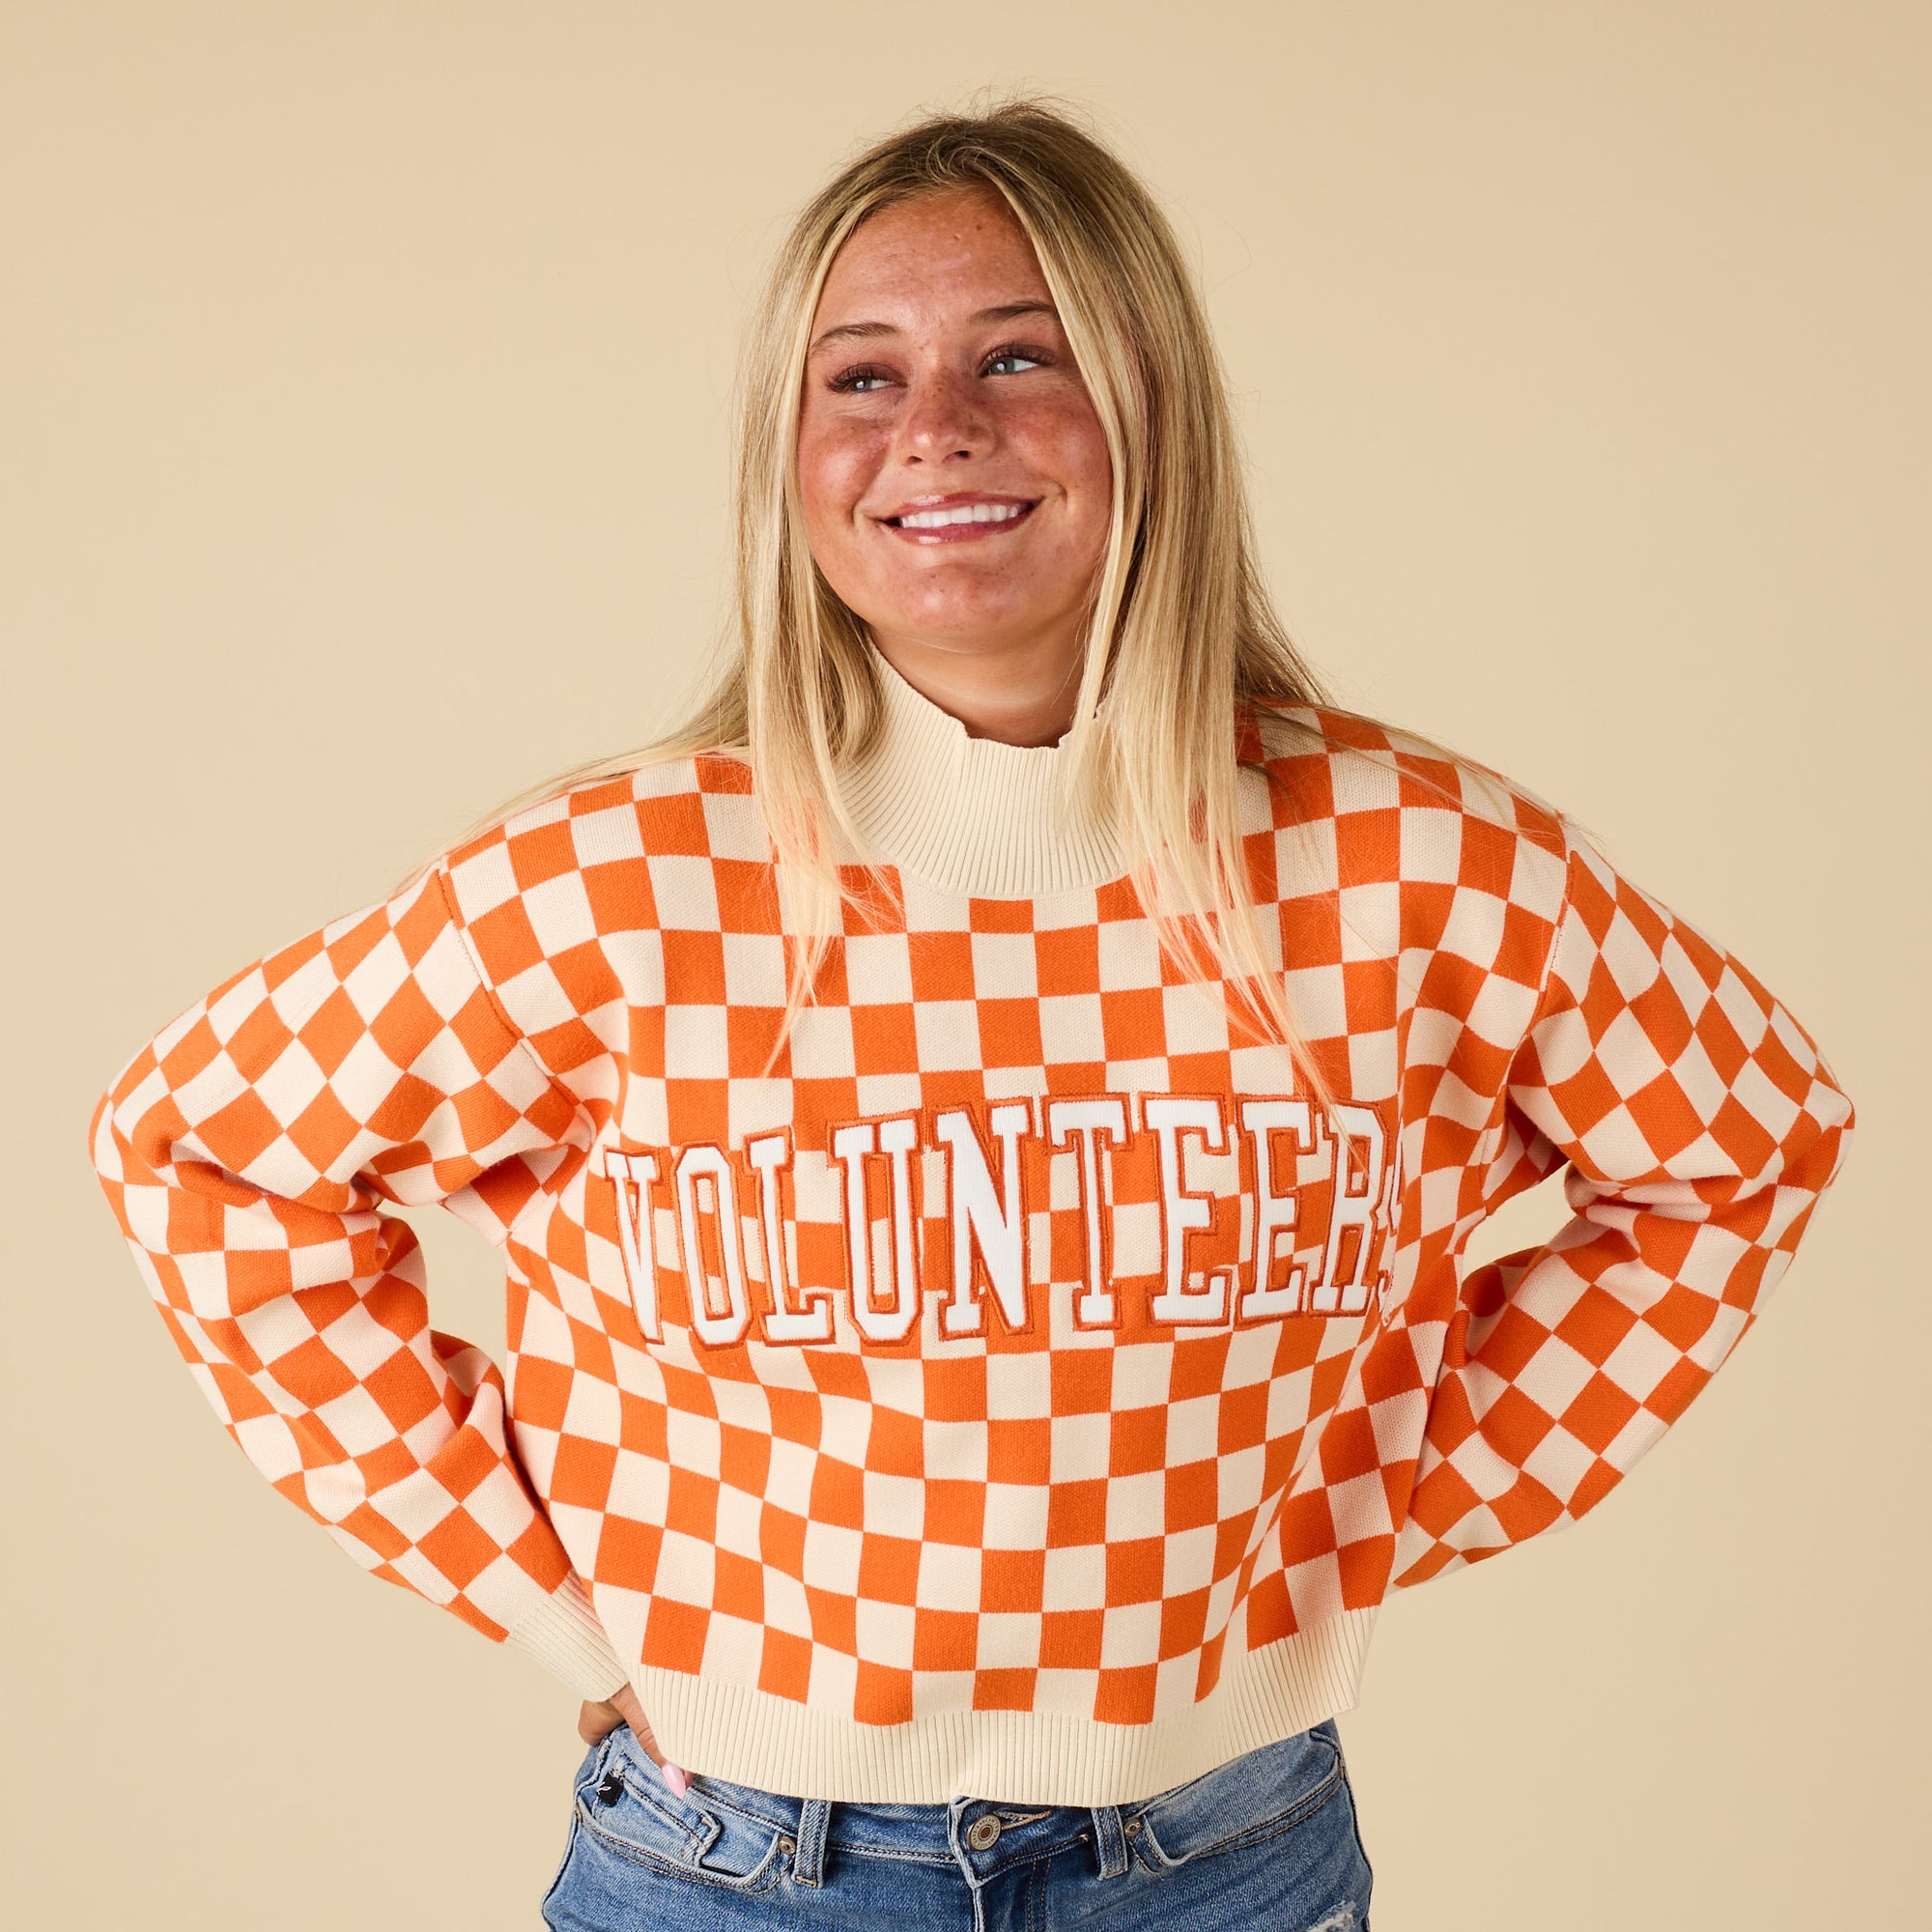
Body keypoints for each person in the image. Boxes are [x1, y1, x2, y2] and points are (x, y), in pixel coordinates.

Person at [87, 100, 1853, 1931]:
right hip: (734, 1876)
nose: (935, 428)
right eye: (861, 376)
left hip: (1225, 1867)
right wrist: (550, 1608)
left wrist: (1381, 1497)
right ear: (789, 453)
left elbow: (1745, 1145)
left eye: (1022, 353)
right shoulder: (610, 885)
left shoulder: (1422, 866)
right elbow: (202, 1154)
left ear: (1152, 404)